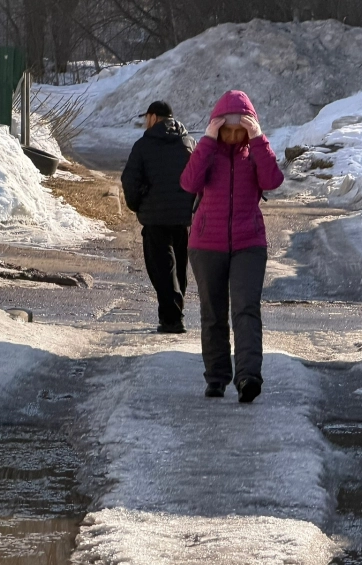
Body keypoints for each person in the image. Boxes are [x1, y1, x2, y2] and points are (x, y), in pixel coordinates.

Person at [180, 90, 284, 403]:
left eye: (241, 130)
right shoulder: (206, 151)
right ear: (218, 126)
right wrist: (209, 141)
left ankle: (248, 377)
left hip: (248, 243)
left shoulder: (255, 152)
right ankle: (216, 377)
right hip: (206, 245)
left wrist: (258, 139)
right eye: (229, 130)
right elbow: (188, 183)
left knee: (246, 310)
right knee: (213, 313)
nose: (235, 136)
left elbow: (272, 180)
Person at [121, 100, 196, 334]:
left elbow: (129, 180)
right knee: (180, 266)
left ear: (153, 118)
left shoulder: (144, 145)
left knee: (162, 268)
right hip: (183, 216)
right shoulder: (189, 142)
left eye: (147, 118)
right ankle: (174, 313)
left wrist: (137, 204)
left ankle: (172, 318)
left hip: (155, 217)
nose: (146, 122)